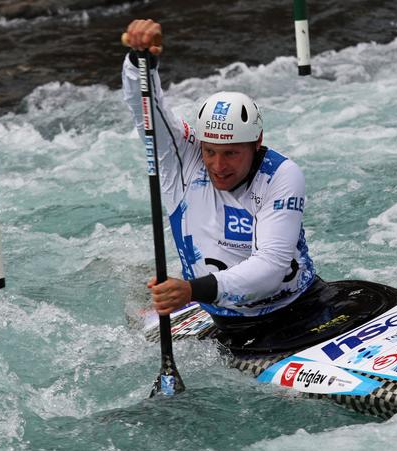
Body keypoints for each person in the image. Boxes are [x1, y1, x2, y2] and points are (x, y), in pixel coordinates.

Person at [122, 19, 323, 341]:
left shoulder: (281, 174)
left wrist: (191, 290)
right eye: (210, 151)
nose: (218, 165)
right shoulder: (182, 161)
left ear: (256, 143)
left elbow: (271, 267)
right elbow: (145, 109)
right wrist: (140, 62)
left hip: (303, 305)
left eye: (231, 154)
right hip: (230, 321)